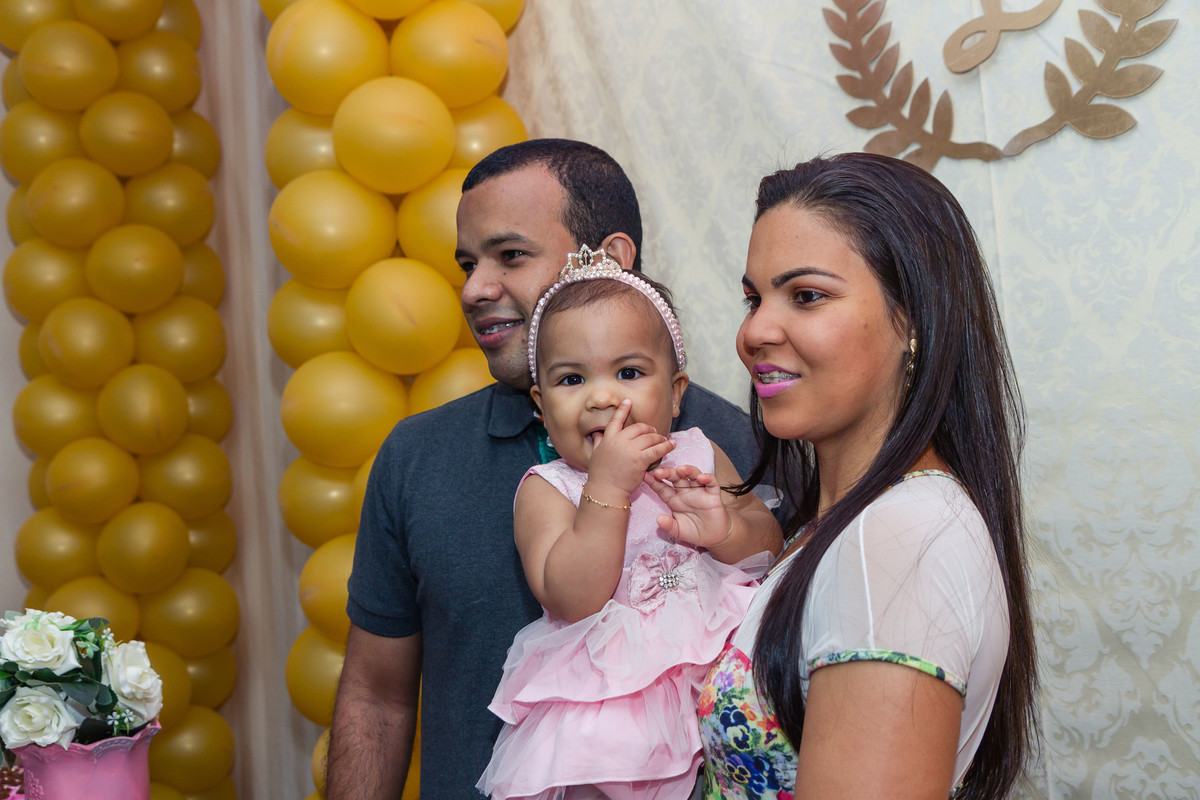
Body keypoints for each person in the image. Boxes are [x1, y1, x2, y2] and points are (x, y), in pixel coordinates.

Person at [327, 140, 761, 800]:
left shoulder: (725, 438)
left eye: (511, 256)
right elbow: (376, 699)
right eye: (468, 263)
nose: (475, 288)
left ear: (612, 261)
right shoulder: (418, 455)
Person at [697, 153, 1037, 799]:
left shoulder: (897, 541)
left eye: (807, 296)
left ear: (913, 319)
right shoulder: (844, 525)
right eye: (754, 297)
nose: (755, 331)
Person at [476, 248, 781, 799]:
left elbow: (768, 542)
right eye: (572, 379)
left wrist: (723, 532)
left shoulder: (698, 452)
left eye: (629, 372)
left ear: (676, 394)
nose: (601, 395)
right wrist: (607, 488)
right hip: (615, 710)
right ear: (542, 407)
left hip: (721, 677)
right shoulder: (550, 490)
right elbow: (572, 596)